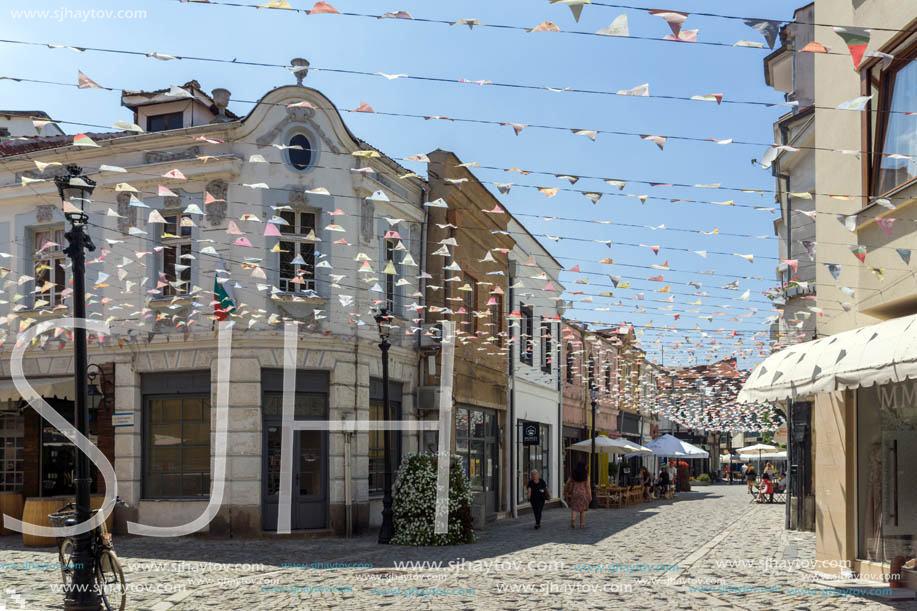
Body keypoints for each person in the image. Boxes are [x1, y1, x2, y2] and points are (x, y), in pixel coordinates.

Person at [563, 462, 592, 529]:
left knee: (575, 509)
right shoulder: (586, 476)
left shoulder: (573, 475)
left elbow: (567, 483)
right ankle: (582, 524)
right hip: (583, 494)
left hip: (575, 493)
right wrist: (590, 496)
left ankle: (573, 520)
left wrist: (566, 490)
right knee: (583, 510)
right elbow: (588, 487)